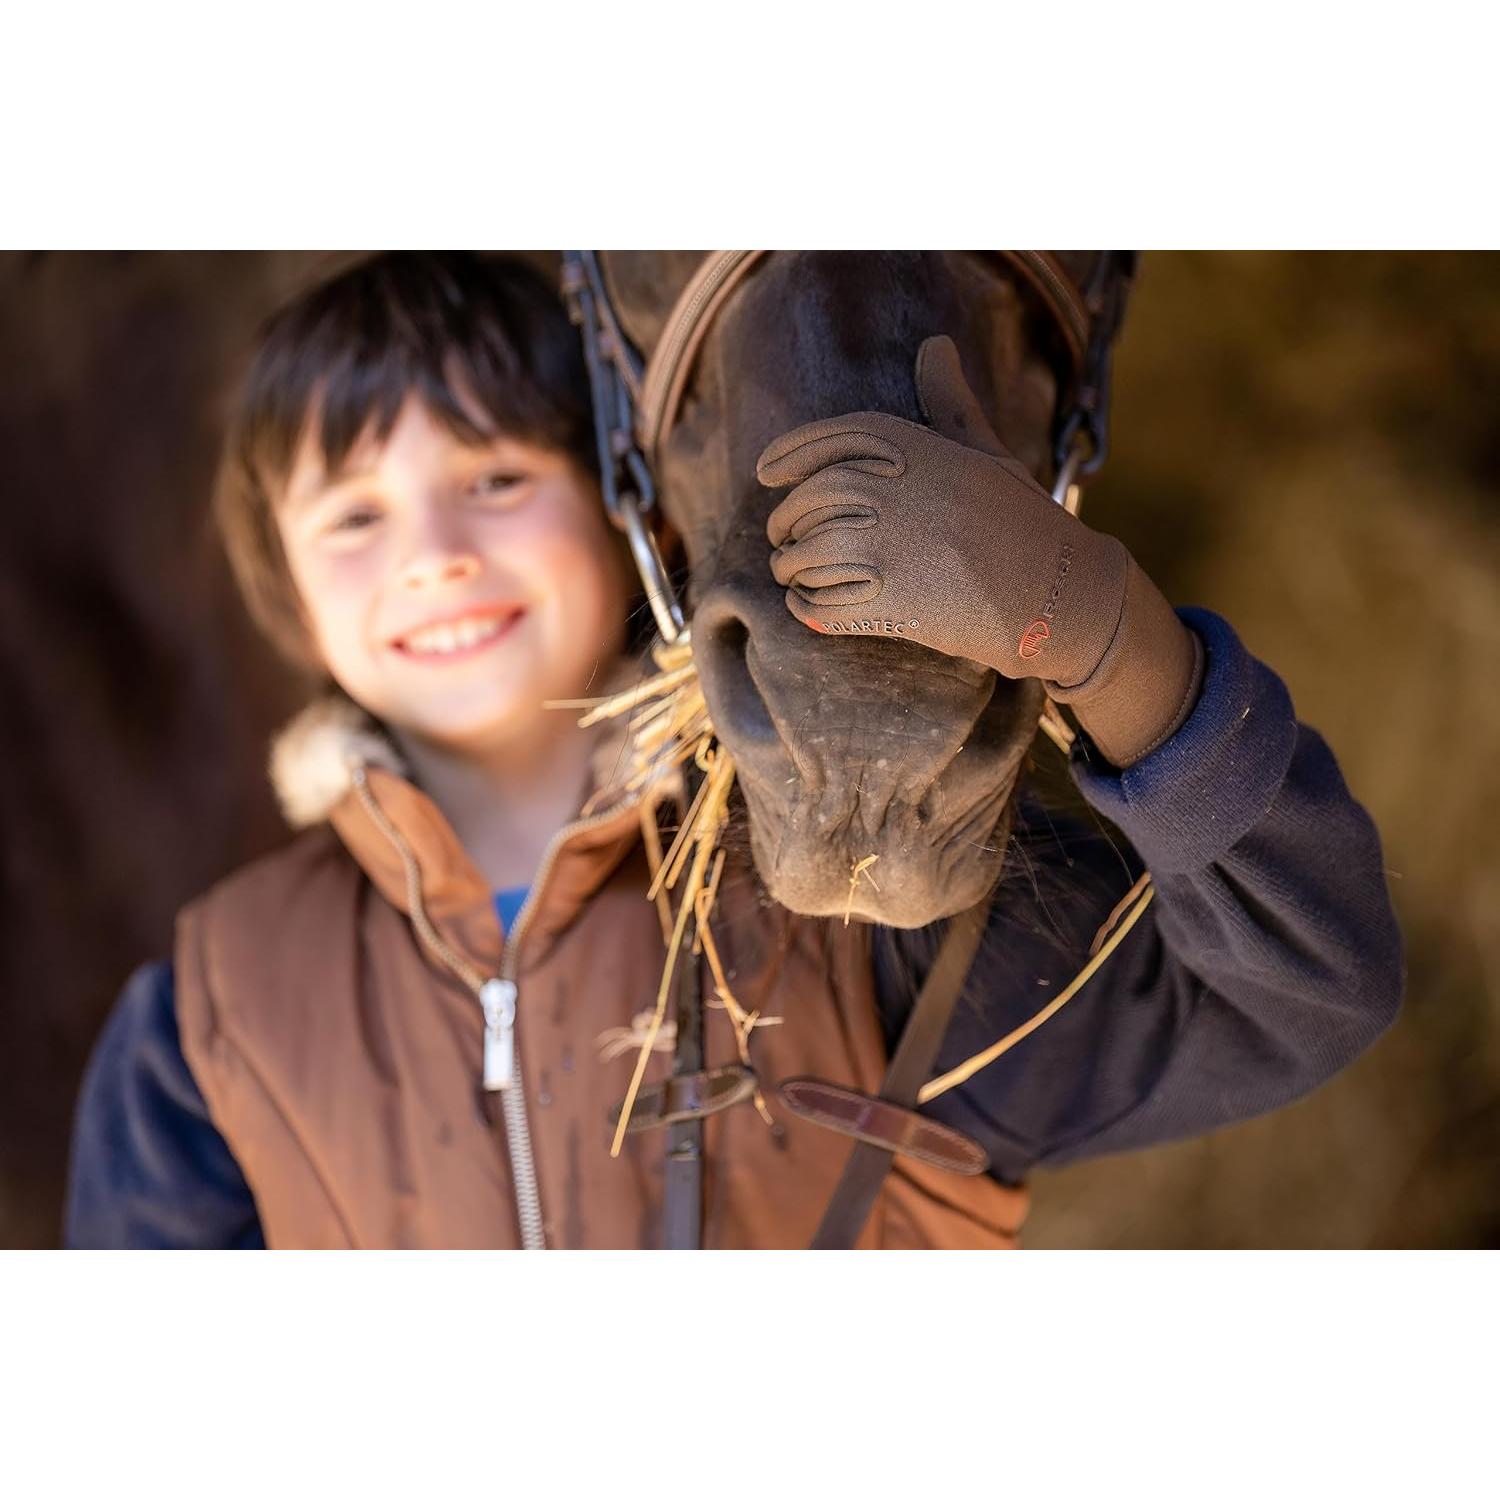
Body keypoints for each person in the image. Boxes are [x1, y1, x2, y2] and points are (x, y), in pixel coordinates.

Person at [65, 251, 1404, 1249]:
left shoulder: (890, 952)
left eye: (495, 481)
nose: (436, 559)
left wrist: (1107, 635)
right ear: (283, 596)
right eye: (353, 517)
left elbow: (1305, 988)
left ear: (626, 502)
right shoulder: (204, 1028)